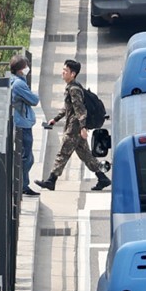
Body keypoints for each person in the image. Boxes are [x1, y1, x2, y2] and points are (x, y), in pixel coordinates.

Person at [35, 59, 111, 192]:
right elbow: (68, 108)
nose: (62, 73)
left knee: (63, 153)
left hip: (74, 128)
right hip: (75, 126)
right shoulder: (72, 87)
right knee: (86, 155)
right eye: (63, 70)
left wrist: (82, 127)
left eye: (65, 71)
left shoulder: (74, 89)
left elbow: (80, 109)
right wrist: (56, 119)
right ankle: (102, 178)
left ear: (73, 73)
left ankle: (51, 180)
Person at [8, 54, 40, 197]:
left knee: (25, 156)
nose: (28, 69)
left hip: (19, 122)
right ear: (21, 69)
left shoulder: (13, 80)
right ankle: (21, 185)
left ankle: (22, 184)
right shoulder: (20, 84)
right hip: (23, 124)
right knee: (27, 158)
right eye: (26, 67)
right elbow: (34, 100)